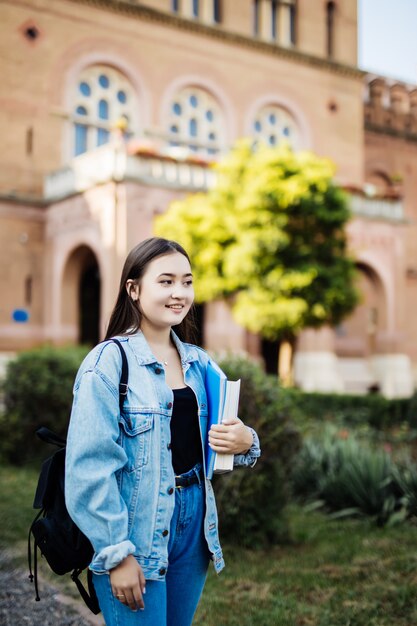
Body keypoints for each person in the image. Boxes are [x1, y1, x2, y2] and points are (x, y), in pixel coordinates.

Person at [65, 237, 261, 626]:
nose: (180, 293)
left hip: (194, 528)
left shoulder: (198, 362)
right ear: (134, 290)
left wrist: (246, 440)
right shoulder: (106, 363)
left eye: (187, 282)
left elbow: (229, 435)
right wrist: (117, 553)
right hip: (135, 527)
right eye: (166, 281)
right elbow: (89, 468)